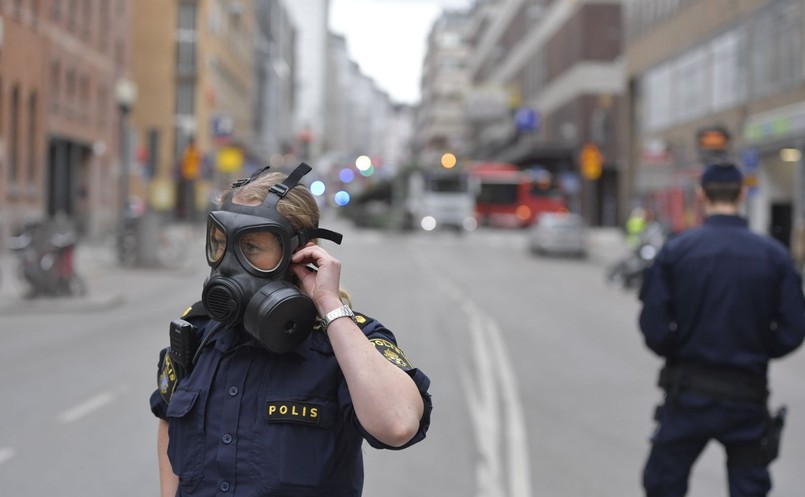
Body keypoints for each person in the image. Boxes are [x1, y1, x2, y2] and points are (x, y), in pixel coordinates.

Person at [150, 163, 432, 496]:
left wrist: (329, 304)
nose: (228, 262)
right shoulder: (199, 333)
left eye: (251, 247)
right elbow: (169, 421)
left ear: (300, 251)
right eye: (220, 242)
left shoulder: (348, 343)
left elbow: (397, 424)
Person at [638, 161, 805, 497]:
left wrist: (680, 346)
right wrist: (759, 346)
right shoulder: (773, 255)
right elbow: (793, 330)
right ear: (742, 194)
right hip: (747, 394)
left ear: (700, 195)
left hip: (688, 393)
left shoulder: (677, 251)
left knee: (663, 485)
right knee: (749, 488)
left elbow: (653, 327)